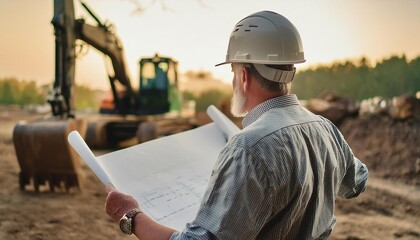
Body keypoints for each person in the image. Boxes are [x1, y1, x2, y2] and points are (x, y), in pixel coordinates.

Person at [105, 11, 369, 239]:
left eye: (233, 71)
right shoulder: (324, 128)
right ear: (291, 71)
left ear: (243, 75)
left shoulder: (249, 147)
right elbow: (357, 182)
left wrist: (130, 214)